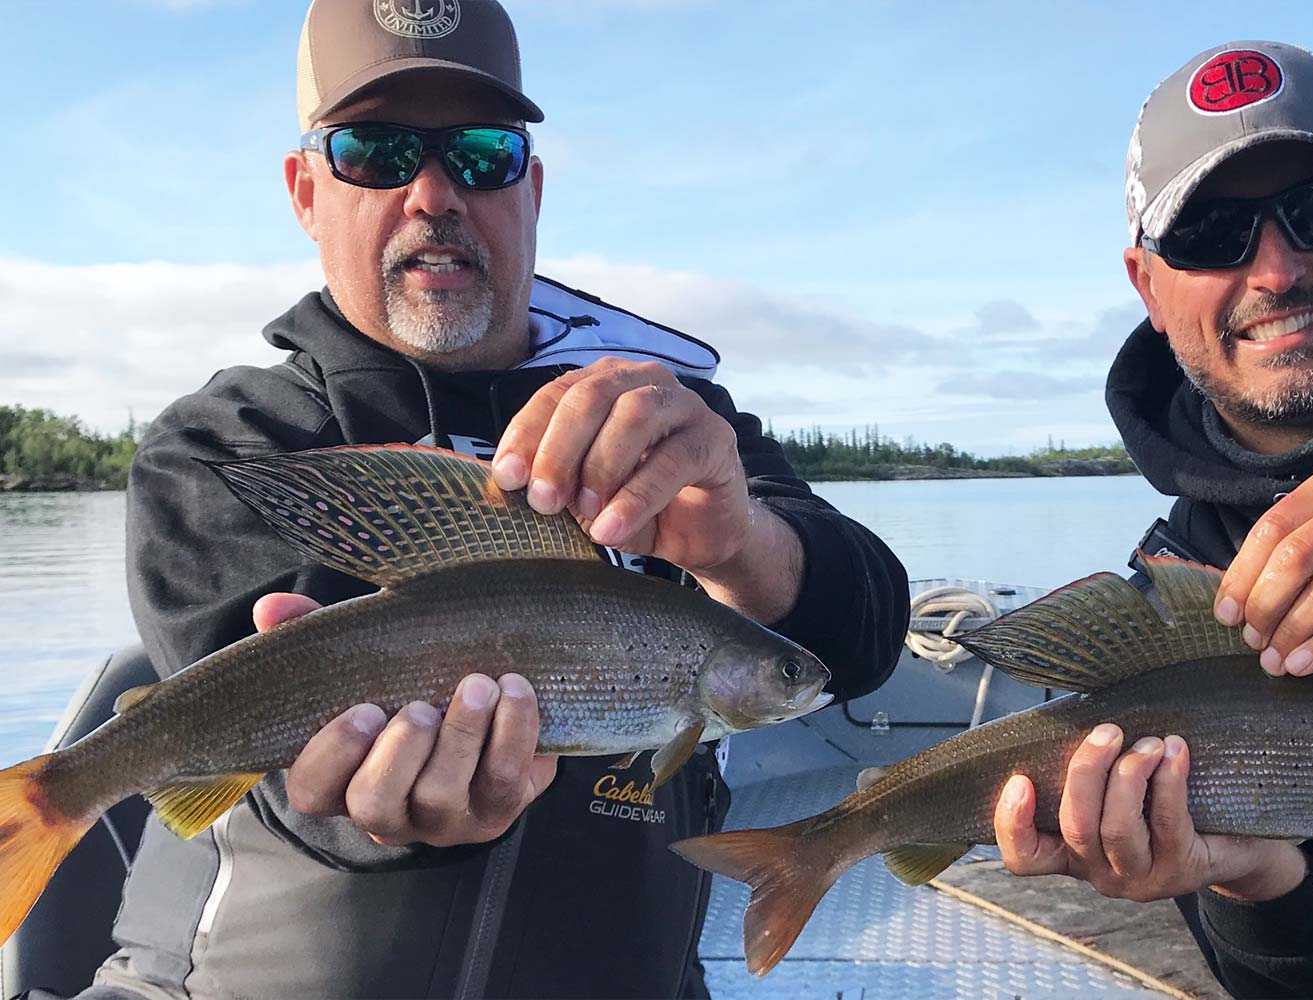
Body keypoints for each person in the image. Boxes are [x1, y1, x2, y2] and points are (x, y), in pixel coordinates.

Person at [69, 2, 908, 997]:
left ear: (531, 188)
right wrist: (383, 813)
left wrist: (744, 543)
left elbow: (865, 640)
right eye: (374, 151)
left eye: (481, 153)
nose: (433, 193)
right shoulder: (225, 443)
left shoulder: (672, 421)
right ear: (305, 191)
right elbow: (258, 760)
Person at [994, 41, 1313, 997]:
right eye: (1211, 231)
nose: (1274, 269)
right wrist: (1263, 883)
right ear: (1146, 284)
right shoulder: (1180, 584)